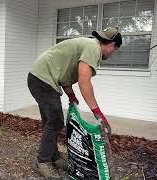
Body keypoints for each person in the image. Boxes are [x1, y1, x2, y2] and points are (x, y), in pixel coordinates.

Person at [27, 27, 122, 179]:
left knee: (50, 121)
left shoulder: (87, 45)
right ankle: (42, 162)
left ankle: (53, 157)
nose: (112, 53)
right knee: (55, 121)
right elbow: (84, 81)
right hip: (43, 79)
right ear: (111, 45)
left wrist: (71, 95)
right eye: (114, 50)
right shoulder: (93, 48)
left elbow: (65, 73)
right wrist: (97, 113)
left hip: (40, 77)